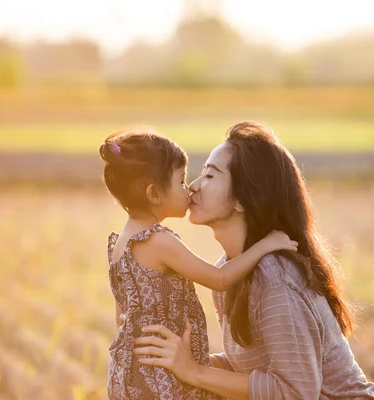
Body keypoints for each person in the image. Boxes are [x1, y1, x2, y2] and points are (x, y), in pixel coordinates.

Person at [133, 121, 374, 399]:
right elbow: (249, 370)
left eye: (211, 176)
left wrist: (194, 371)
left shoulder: (275, 279)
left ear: (242, 200)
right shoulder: (228, 272)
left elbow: (295, 392)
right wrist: (184, 357)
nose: (193, 186)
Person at [99, 128, 298, 399]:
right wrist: (267, 244)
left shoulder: (119, 245)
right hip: (161, 378)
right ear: (154, 194)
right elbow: (220, 278)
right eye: (181, 181)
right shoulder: (159, 241)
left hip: (131, 374)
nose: (190, 188)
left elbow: (122, 318)